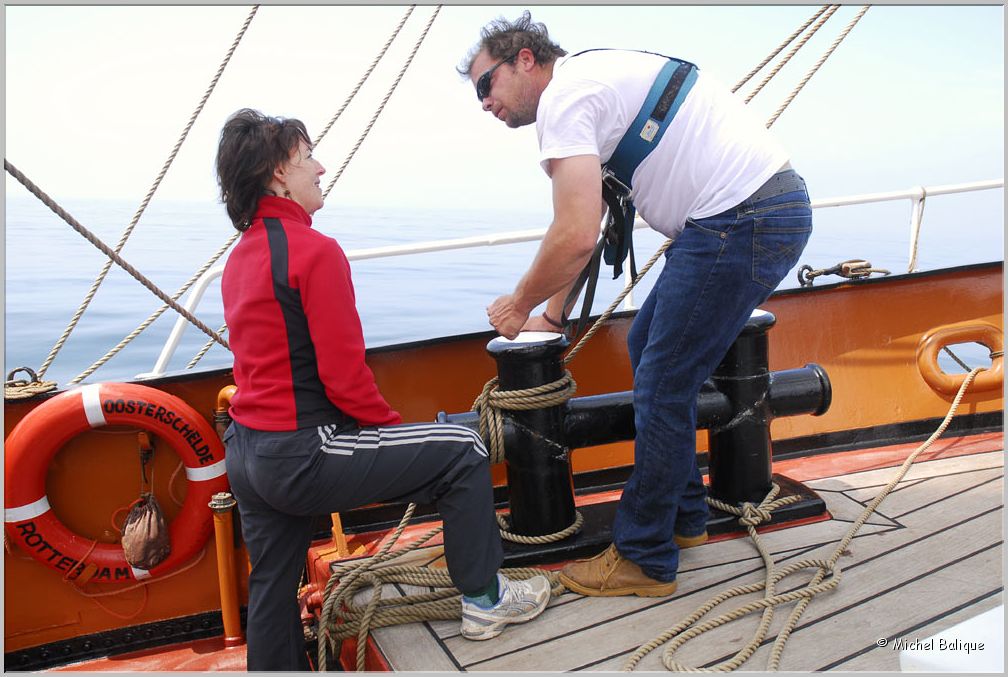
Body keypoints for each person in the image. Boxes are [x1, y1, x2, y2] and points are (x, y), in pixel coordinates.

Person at [459, 12, 813, 597]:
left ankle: (645, 556)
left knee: (661, 381)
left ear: (524, 59)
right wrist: (552, 315)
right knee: (651, 350)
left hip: (738, 218)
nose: (484, 103)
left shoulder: (564, 100)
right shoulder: (588, 80)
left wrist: (518, 306)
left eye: (485, 85)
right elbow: (588, 222)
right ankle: (683, 517)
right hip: (749, 213)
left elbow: (572, 233)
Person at [215, 108, 551, 670]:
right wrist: (399, 437)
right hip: (304, 452)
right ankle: (487, 602)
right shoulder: (316, 253)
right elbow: (344, 380)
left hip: (248, 453)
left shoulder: (238, 258)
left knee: (272, 577)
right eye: (307, 158)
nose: (321, 167)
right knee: (463, 450)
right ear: (278, 174)